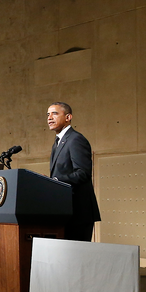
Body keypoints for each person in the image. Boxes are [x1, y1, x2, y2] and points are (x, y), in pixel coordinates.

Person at [48, 102, 101, 241]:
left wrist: (55, 181)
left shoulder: (75, 139)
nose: (49, 118)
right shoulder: (58, 142)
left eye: (54, 113)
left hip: (78, 212)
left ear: (68, 117)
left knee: (77, 260)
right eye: (48, 114)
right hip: (64, 211)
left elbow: (83, 173)